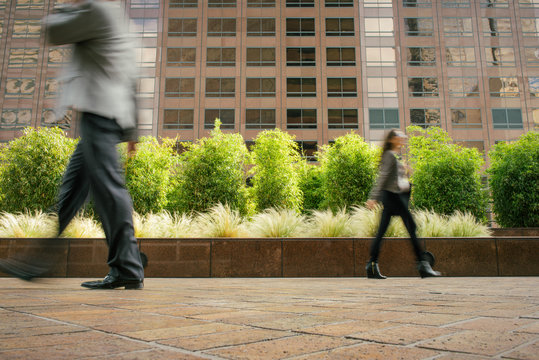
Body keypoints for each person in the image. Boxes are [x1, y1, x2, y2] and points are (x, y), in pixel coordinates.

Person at [0, 0, 144, 289]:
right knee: (72, 190)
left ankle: (128, 267)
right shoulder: (116, 16)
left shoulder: (96, 9)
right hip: (109, 114)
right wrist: (132, 130)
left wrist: (66, 8)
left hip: (98, 113)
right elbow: (132, 77)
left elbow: (52, 31)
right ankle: (38, 262)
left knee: (108, 190)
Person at [366, 130, 440, 279]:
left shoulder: (395, 155)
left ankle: (372, 265)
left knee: (382, 232)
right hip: (394, 198)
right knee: (411, 228)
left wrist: (405, 171)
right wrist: (373, 197)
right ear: (393, 139)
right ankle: (422, 264)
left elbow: (394, 178)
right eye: (399, 136)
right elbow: (383, 176)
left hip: (394, 197)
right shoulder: (389, 155)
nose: (403, 138)